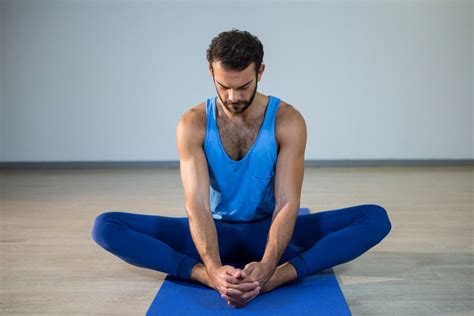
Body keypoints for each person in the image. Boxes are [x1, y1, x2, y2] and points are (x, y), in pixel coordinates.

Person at [91, 29, 392, 309]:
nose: (233, 97)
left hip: (269, 233)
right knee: (106, 226)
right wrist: (211, 270)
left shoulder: (288, 120)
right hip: (215, 233)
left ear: (260, 72)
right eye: (224, 86)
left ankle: (281, 277)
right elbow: (197, 205)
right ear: (211, 73)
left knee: (375, 218)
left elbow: (287, 202)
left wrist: (270, 268)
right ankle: (204, 277)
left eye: (243, 86)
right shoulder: (192, 123)